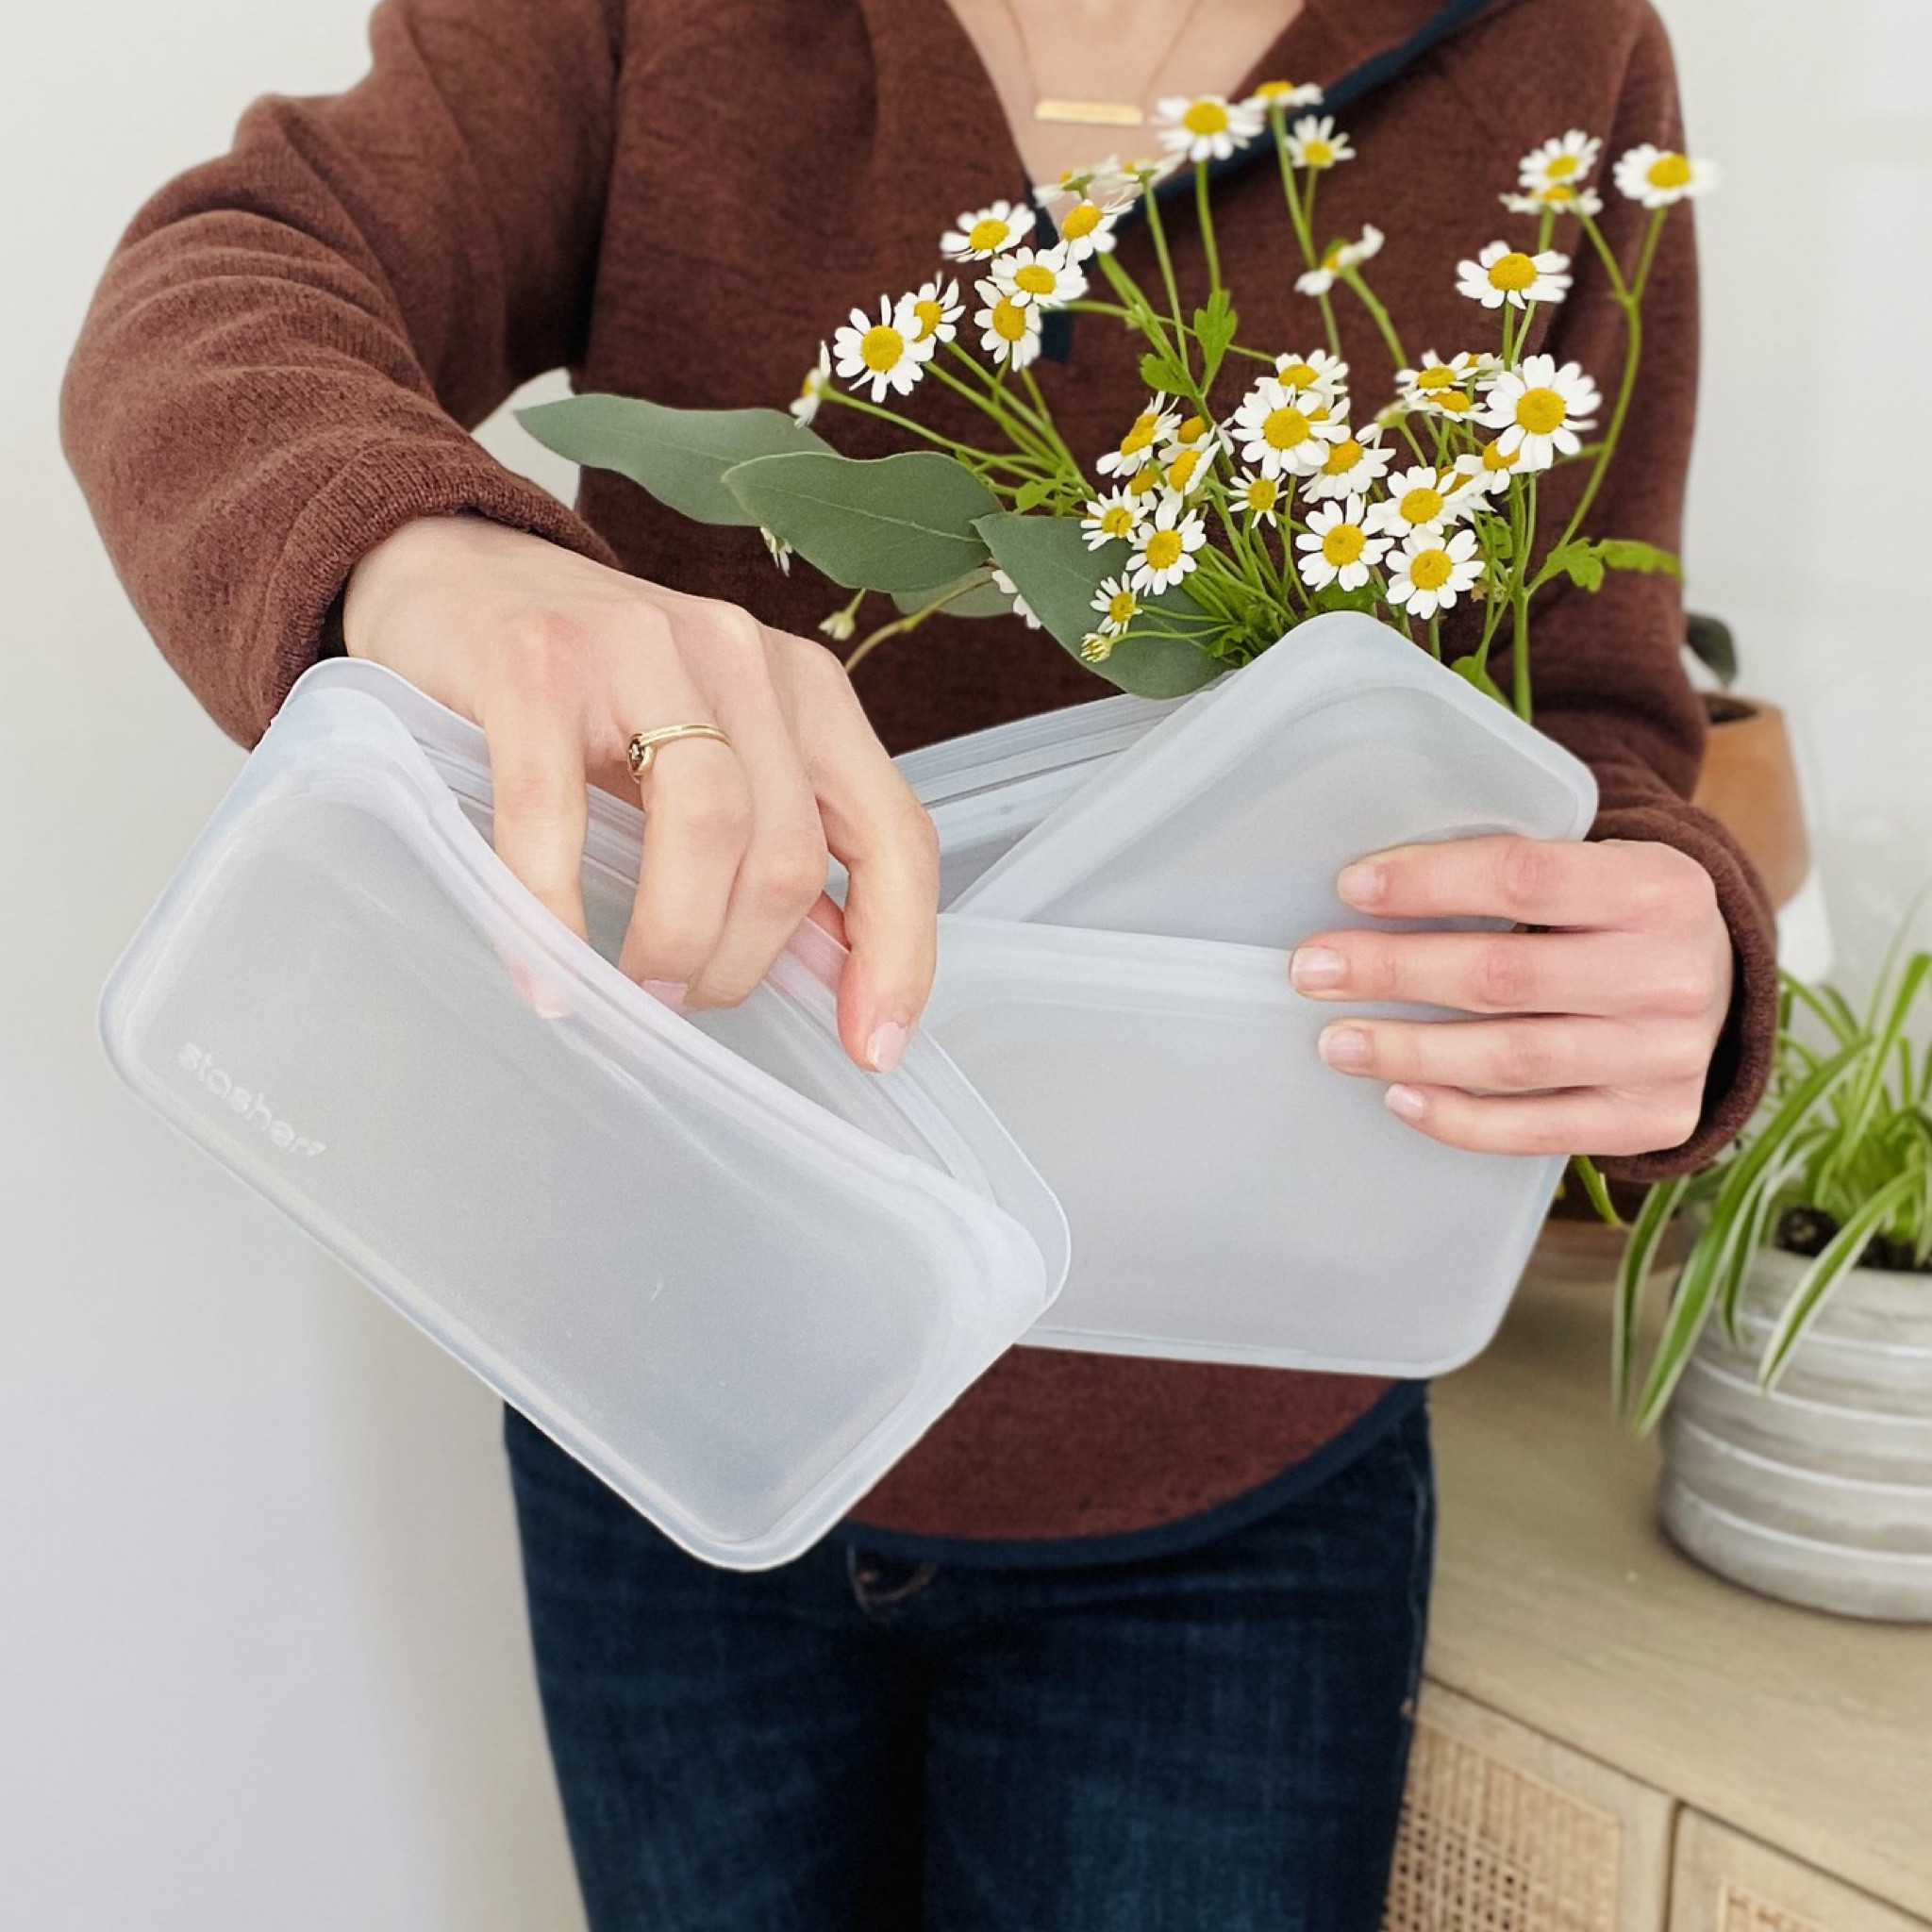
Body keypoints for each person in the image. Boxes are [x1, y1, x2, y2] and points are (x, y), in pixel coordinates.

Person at [63, 0, 1775, 1924]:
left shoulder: (1565, 54)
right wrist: (436, 558)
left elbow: (1596, 713)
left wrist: (1662, 932)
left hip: (1227, 1471)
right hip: (675, 1368)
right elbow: (225, 277)